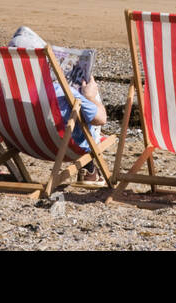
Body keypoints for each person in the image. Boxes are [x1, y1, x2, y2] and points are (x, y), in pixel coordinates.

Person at [8, 26, 107, 185]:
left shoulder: (1, 89)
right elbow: (101, 119)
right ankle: (89, 171)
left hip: (21, 140)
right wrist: (89, 96)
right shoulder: (58, 90)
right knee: (88, 95)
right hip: (63, 145)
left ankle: (89, 170)